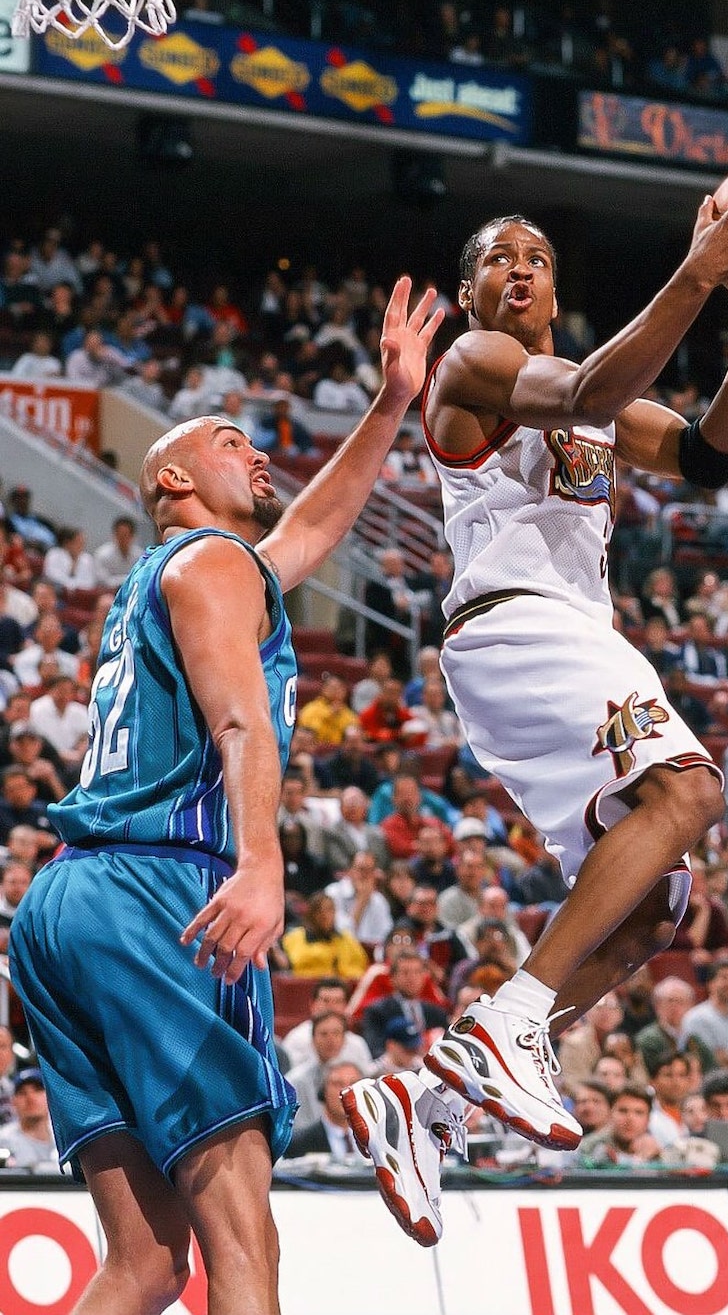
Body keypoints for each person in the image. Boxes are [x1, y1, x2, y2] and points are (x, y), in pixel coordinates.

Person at [341, 196, 728, 1238]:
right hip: (516, 626)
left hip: (558, 647)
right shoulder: (473, 363)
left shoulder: (594, 402)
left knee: (651, 910)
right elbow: (595, 383)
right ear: (468, 295)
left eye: (538, 257)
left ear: (555, 288)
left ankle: (424, 1110)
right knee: (688, 789)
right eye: (497, 258)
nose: (520, 268)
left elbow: (707, 456)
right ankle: (508, 1024)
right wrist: (696, 270)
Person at [7, 277, 443, 1315]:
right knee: (241, 1227)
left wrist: (389, 405)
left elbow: (309, 533)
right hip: (162, 891)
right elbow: (241, 724)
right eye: (229, 439)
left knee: (147, 1260)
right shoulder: (210, 563)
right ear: (171, 473)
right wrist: (262, 861)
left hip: (64, 907)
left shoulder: (186, 572)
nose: (257, 453)